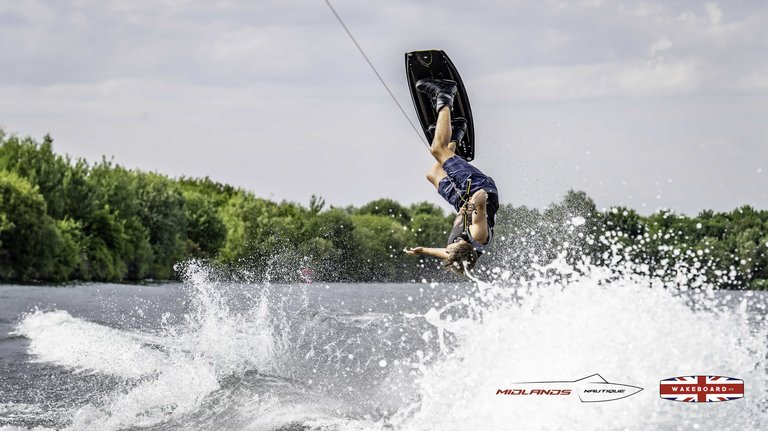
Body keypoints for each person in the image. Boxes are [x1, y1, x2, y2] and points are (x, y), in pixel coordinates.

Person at [404, 78, 500, 274]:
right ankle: (445, 95)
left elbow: (447, 253)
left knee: (433, 174)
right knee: (437, 149)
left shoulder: (456, 253)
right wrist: (472, 206)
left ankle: (456, 132)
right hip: (476, 188)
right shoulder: (478, 235)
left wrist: (423, 251)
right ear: (465, 248)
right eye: (452, 249)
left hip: (461, 202)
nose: (448, 249)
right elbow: (481, 196)